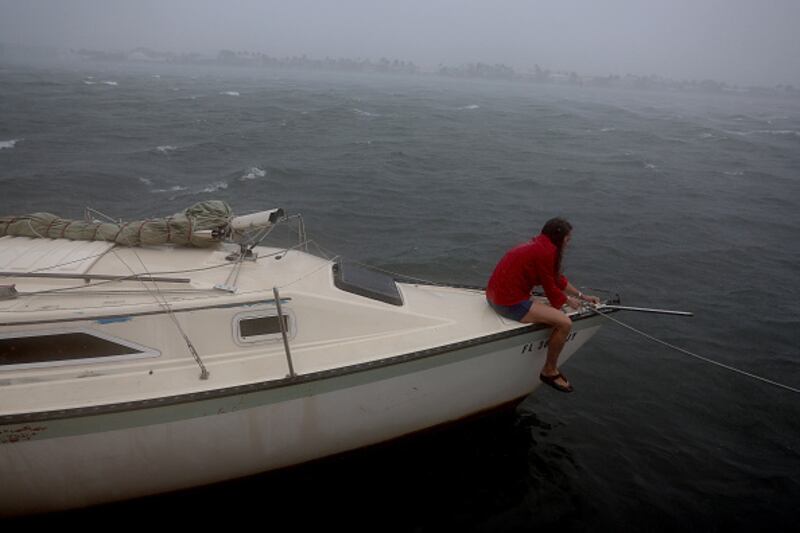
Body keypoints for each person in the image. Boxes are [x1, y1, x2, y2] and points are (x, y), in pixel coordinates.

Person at [486, 217, 600, 393]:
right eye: (567, 239)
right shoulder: (546, 252)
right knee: (564, 323)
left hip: (493, 296)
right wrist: (567, 301)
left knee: (547, 306)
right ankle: (549, 370)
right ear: (559, 238)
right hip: (508, 303)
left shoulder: (538, 245)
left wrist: (581, 296)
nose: (568, 243)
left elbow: (556, 279)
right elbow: (550, 287)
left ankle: (549, 367)